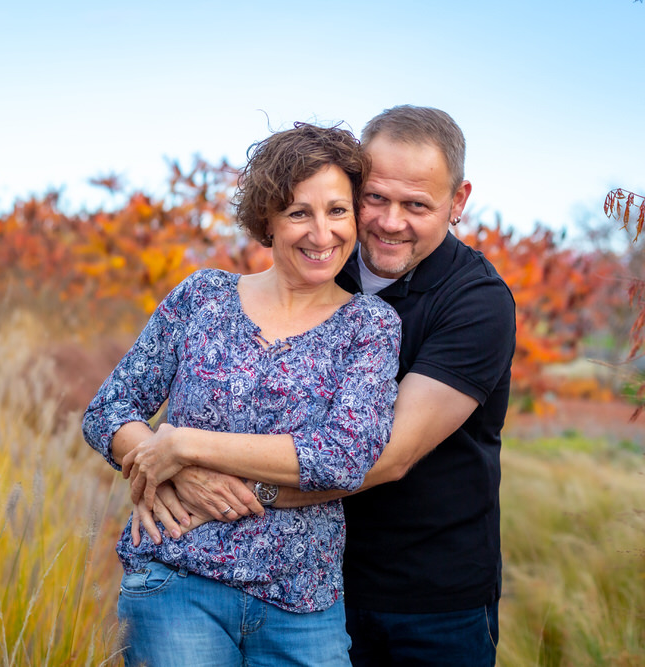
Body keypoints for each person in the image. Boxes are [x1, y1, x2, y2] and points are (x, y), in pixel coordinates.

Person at [133, 105, 516, 666]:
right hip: (312, 587)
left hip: (430, 598)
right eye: (376, 198)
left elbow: (384, 458)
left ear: (457, 202)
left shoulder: (476, 302)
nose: (389, 221)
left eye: (417, 205)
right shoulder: (319, 265)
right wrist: (176, 467)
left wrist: (208, 483)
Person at [82, 122, 401, 667]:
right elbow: (108, 411)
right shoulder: (203, 296)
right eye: (300, 212)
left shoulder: (369, 326)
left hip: (303, 602)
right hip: (177, 582)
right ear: (268, 220)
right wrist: (178, 467)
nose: (321, 234)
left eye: (337, 211)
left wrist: (186, 446)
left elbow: (342, 458)